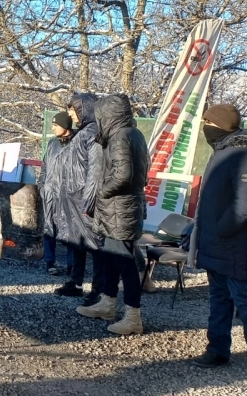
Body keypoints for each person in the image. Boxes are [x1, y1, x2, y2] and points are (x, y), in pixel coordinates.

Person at [190, 104, 247, 382]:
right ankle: (217, 350)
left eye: (208, 122)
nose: (205, 126)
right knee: (219, 299)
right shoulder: (224, 150)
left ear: (220, 125)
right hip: (217, 244)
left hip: (235, 246)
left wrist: (221, 229)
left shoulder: (244, 154)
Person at [76, 94, 149, 336]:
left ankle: (132, 316)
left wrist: (100, 194)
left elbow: (123, 175)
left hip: (119, 209)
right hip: (119, 209)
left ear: (108, 114)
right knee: (110, 258)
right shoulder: (133, 134)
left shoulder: (120, 136)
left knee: (124, 263)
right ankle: (107, 304)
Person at [54, 93, 104, 303]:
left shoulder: (93, 132)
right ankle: (75, 281)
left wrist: (89, 201)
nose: (70, 114)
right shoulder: (83, 132)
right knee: (77, 242)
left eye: (73, 110)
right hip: (73, 198)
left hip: (84, 199)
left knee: (95, 246)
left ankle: (99, 290)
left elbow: (95, 170)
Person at [39, 111, 76, 275]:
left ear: (65, 126)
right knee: (49, 227)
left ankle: (72, 265)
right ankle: (50, 262)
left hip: (68, 194)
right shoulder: (52, 144)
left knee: (70, 229)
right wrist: (42, 186)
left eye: (56, 125)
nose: (52, 128)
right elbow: (45, 166)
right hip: (50, 192)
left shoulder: (77, 142)